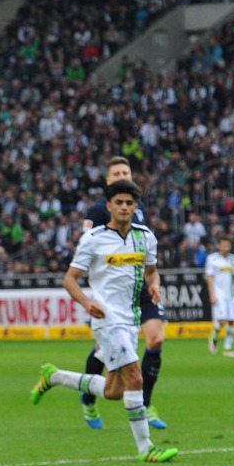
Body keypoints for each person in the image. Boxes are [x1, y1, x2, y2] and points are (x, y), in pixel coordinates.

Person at [31, 179, 178, 463]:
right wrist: (87, 303)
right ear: (109, 206)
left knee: (114, 391)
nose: (124, 207)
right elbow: (69, 280)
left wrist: (155, 284)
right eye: (119, 203)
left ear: (135, 207)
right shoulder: (94, 239)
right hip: (107, 320)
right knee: (135, 376)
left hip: (131, 319)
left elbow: (151, 272)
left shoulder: (145, 237)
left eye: (129, 203)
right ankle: (146, 448)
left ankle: (55, 376)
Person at [78, 156, 168, 431]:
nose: (121, 175)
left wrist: (155, 282)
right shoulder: (97, 212)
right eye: (115, 172)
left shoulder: (138, 210)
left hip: (140, 288)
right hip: (114, 296)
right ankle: (88, 397)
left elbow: (149, 259)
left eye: (125, 172)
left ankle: (147, 403)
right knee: (103, 354)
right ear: (107, 182)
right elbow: (87, 249)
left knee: (156, 340)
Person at [205, 236, 234, 357]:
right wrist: (212, 295)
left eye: (228, 245)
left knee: (232, 321)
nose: (226, 247)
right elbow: (210, 278)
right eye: (224, 245)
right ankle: (213, 337)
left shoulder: (233, 259)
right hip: (219, 294)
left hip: (231, 295)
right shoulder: (212, 259)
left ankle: (228, 348)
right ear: (219, 246)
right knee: (222, 320)